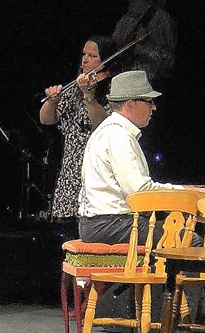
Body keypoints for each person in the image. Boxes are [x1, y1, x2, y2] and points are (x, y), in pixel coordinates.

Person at [78, 70, 204, 244]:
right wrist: (186, 192)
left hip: (103, 223)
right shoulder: (118, 135)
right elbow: (140, 191)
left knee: (175, 232)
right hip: (109, 223)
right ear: (130, 104)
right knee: (190, 240)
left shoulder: (110, 130)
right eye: (148, 101)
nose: (154, 107)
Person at [39, 36, 116, 228]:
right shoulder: (73, 89)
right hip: (71, 172)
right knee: (68, 232)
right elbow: (46, 119)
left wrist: (89, 95)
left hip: (97, 172)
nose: (85, 60)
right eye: (84, 54)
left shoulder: (112, 89)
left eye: (92, 56)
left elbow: (104, 125)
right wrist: (52, 102)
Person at [110, 0, 176, 81]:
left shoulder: (161, 18)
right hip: (124, 84)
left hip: (150, 85)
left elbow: (169, 62)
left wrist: (147, 43)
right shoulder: (123, 21)